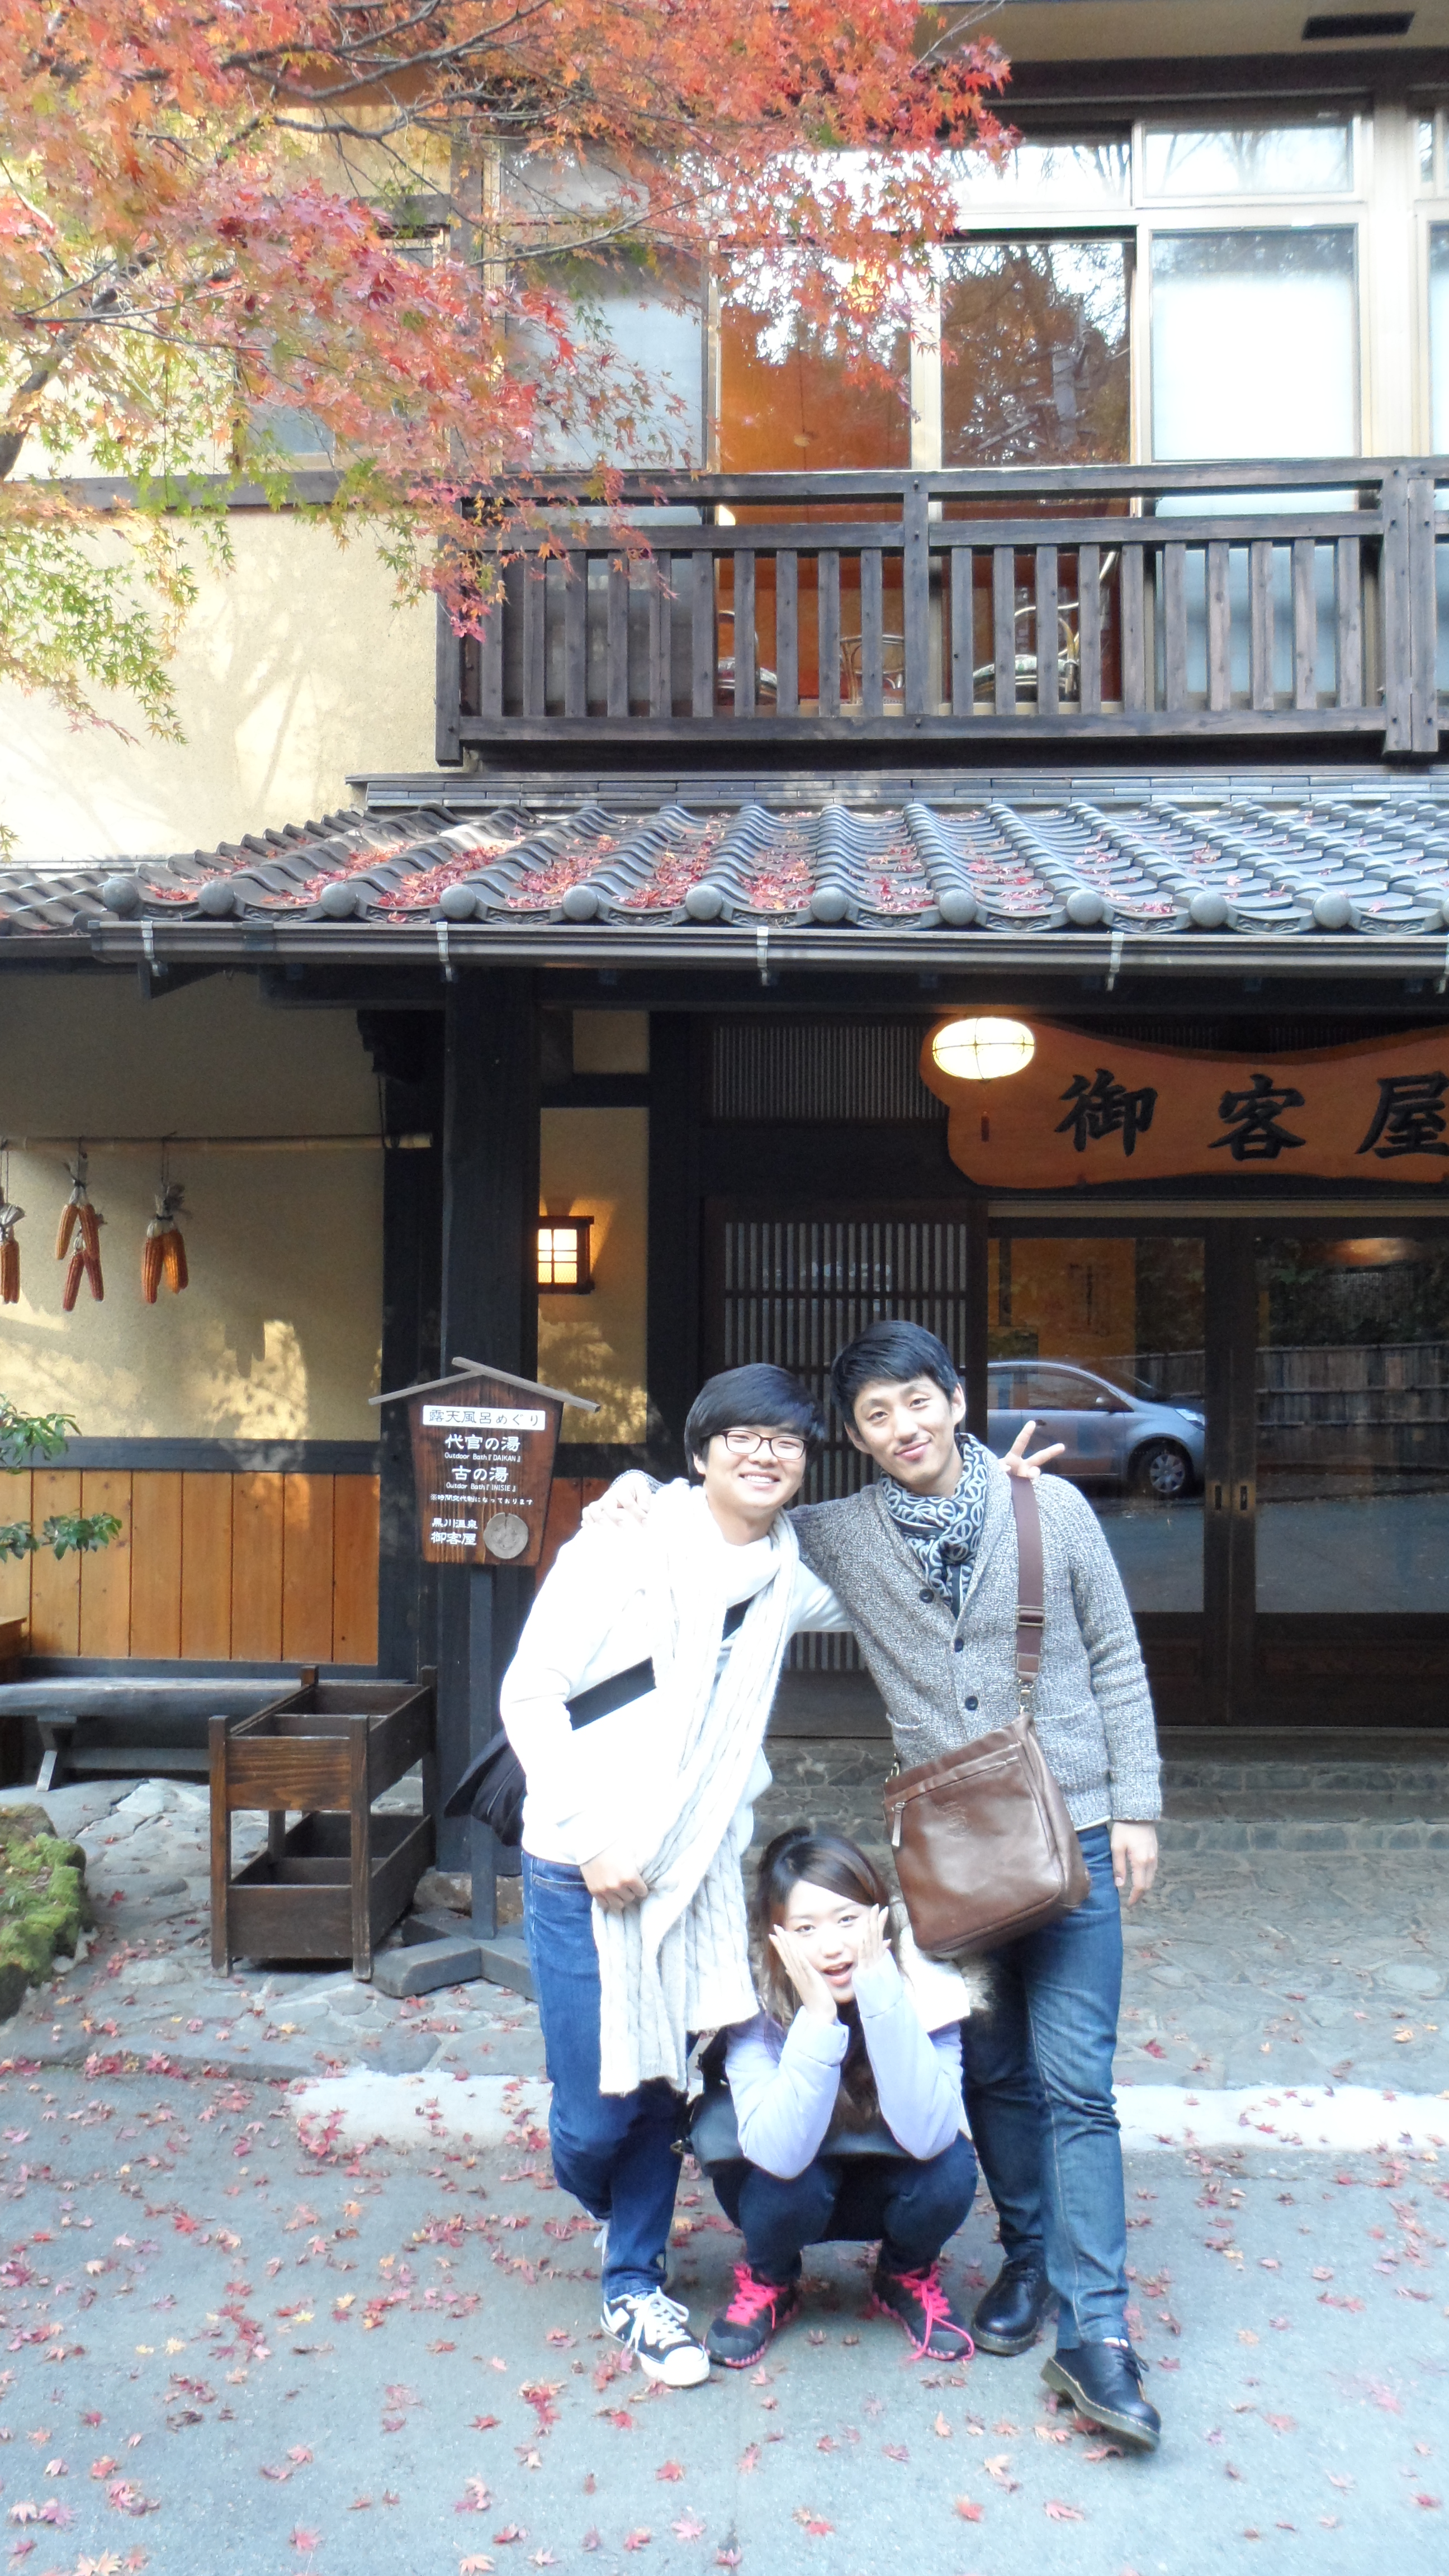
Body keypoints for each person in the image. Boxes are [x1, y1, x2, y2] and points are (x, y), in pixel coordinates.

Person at [589, 1319, 1163, 2450]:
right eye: (875, 1415)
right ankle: (1029, 2261)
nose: (904, 1426)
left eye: (918, 1400)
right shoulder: (841, 1534)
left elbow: (1114, 1652)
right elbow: (730, 1502)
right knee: (995, 2069)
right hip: (947, 1857)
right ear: (854, 1438)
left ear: (956, 1399)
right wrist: (631, 1491)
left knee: (1078, 2082)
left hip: (1077, 1828)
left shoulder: (1051, 1507)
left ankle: (1098, 2329)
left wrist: (1137, 1801)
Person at [499, 1363, 850, 2388]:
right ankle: (612, 2193)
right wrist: (590, 1836)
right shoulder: (622, 1545)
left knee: (658, 2083)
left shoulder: (789, 1577)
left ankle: (633, 2280)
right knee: (594, 2118)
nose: (764, 1454)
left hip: (693, 1872)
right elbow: (530, 1693)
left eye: (786, 1440)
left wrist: (987, 1486)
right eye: (741, 1435)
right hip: (582, 1865)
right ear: (699, 1453)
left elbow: (898, 1571)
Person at [703, 1828, 978, 2368]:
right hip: (796, 2187)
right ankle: (771, 2279)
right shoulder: (755, 2003)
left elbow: (928, 2135)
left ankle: (905, 2272)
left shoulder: (929, 1986)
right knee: (784, 2180)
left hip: (894, 2179)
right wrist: (818, 2020)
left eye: (848, 1920)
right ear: (777, 1937)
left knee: (950, 2168)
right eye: (806, 1929)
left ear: (879, 1918)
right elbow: (779, 2154)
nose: (832, 1947)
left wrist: (882, 2000)